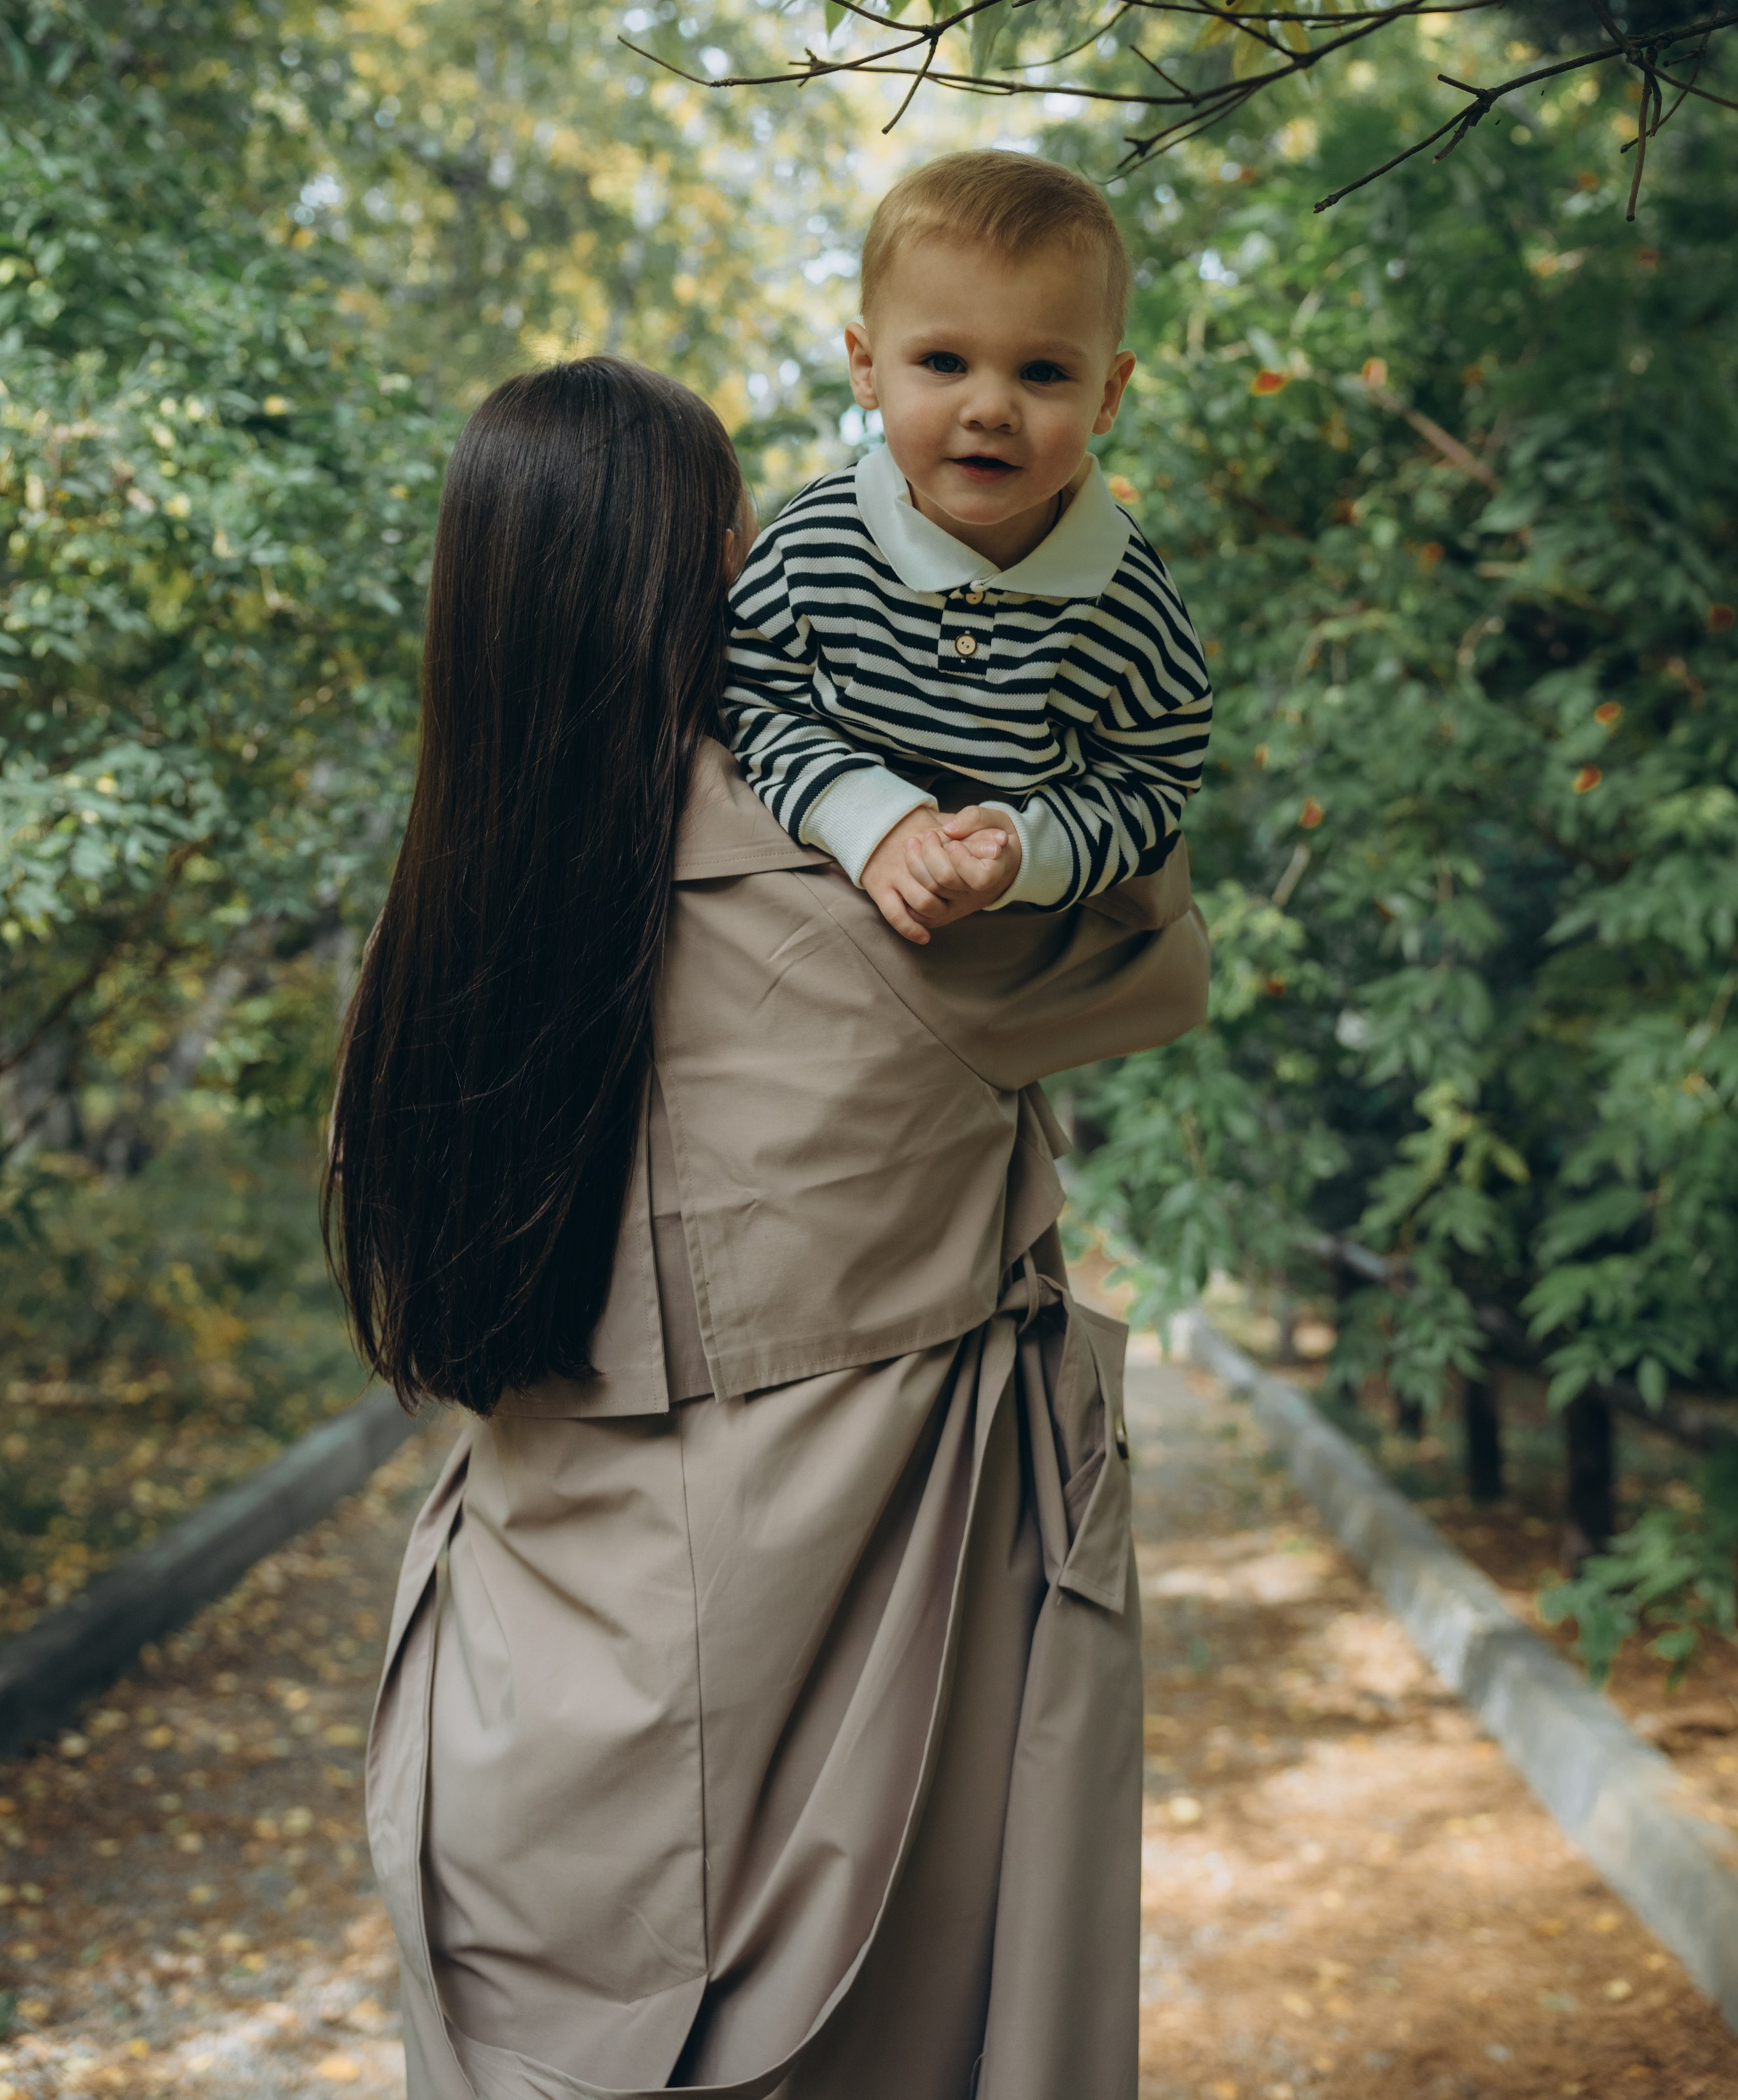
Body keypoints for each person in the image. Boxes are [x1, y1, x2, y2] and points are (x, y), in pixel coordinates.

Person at [329, 357, 1208, 2100]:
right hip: (832, 1744)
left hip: (512, 1731)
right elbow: (1152, 939)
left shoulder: (434, 937)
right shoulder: (888, 919)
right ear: (719, 567)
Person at [725, 151, 1212, 946]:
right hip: (816, 893)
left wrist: (1024, 853)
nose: (990, 407)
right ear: (866, 366)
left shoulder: (1124, 601)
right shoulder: (819, 545)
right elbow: (746, 699)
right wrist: (871, 820)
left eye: (1044, 371)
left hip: (1013, 934)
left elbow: (1151, 778)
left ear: (1108, 395)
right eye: (944, 362)